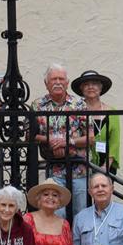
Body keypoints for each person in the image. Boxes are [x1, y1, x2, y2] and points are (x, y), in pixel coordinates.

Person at [32, 63, 90, 215]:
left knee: (81, 213)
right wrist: (49, 140)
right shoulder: (38, 105)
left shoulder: (79, 104)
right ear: (46, 83)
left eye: (61, 79)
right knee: (57, 213)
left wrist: (67, 142)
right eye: (53, 79)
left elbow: (91, 137)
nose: (57, 82)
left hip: (79, 168)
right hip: (54, 169)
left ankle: (78, 240)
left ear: (67, 83)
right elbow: (30, 135)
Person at [72, 70, 121, 176]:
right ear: (81, 88)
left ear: (101, 87)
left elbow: (114, 143)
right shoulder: (75, 111)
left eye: (94, 84)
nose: (91, 87)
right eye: (86, 84)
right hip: (81, 166)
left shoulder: (112, 112)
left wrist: (106, 166)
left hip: (106, 165)